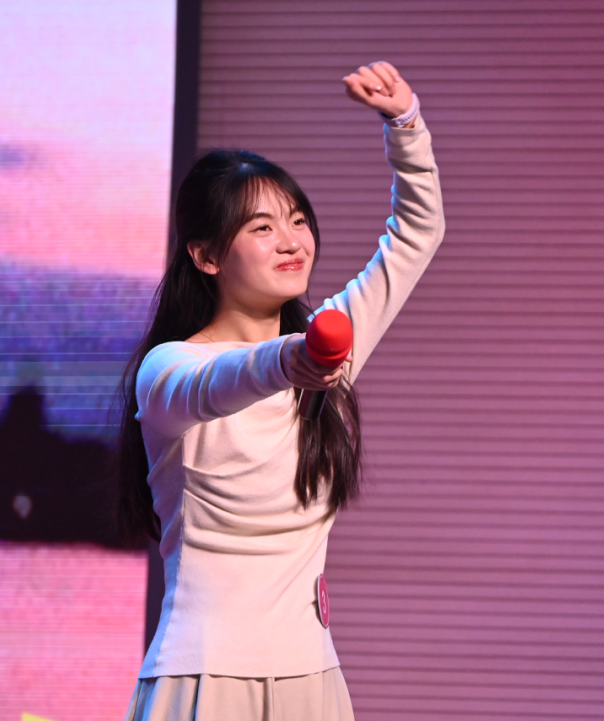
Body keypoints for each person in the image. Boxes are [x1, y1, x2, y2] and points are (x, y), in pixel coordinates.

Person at [118, 61, 445, 720]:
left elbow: (417, 233)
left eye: (297, 220)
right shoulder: (168, 369)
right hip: (204, 678)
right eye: (262, 228)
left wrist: (406, 124)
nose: (292, 241)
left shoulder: (328, 346)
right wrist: (294, 358)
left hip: (312, 678)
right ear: (207, 256)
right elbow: (220, 382)